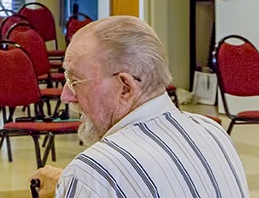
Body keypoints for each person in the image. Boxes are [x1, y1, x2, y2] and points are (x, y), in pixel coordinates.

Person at [30, 16, 248, 198]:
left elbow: (105, 177)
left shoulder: (93, 171)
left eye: (75, 81)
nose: (66, 96)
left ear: (125, 87)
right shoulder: (212, 132)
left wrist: (75, 185)